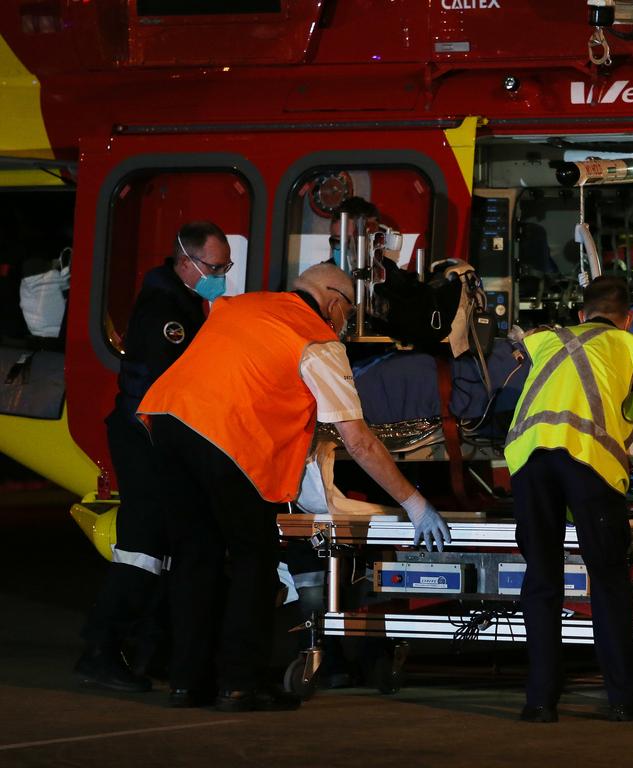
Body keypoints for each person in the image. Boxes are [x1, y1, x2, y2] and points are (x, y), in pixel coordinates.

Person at [137, 262, 450, 712]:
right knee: (254, 561)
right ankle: (240, 684)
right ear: (334, 302)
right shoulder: (317, 338)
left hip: (166, 424)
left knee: (194, 558)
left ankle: (186, 682)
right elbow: (358, 441)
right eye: (348, 313)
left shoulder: (239, 306)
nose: (346, 324)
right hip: (228, 441)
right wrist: (415, 502)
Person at [504, 275, 633, 723]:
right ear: (628, 320)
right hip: (589, 463)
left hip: (527, 460)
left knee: (542, 579)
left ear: (580, 315)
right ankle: (625, 700)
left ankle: (539, 702)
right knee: (608, 582)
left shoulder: (545, 342)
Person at [75, 221, 231, 693]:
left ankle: (153, 650)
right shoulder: (168, 313)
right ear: (186, 262)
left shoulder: (181, 302)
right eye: (214, 266)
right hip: (146, 437)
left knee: (164, 543)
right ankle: (101, 650)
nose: (221, 274)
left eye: (225, 266)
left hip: (154, 436)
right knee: (143, 547)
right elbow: (165, 388)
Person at [328, 196, 379, 269]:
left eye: (350, 241)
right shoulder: (320, 276)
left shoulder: (390, 275)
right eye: (336, 241)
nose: (342, 249)